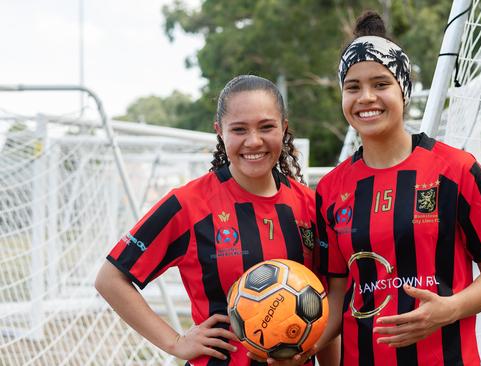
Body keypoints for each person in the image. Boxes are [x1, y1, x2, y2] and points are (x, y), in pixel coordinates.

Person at [313, 11, 481, 366]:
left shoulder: (456, 170)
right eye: (353, 87)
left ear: (403, 90)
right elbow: (338, 293)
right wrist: (297, 345)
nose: (366, 98)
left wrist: (449, 309)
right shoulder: (331, 189)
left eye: (380, 83)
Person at [95, 75, 336, 366]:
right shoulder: (188, 204)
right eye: (239, 129)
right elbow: (111, 279)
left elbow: (325, 307)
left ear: (284, 128)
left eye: (266, 127)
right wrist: (176, 343)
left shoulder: (310, 206)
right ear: (219, 132)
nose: (253, 141)